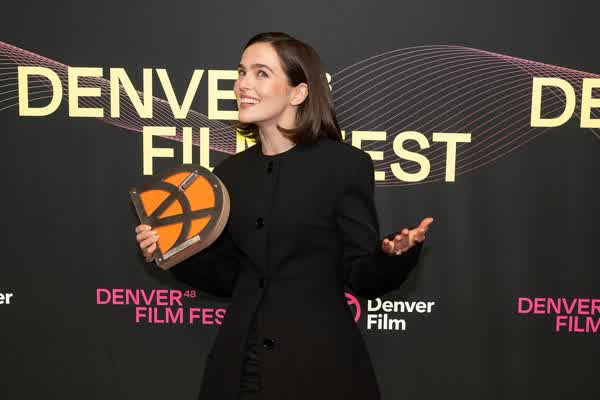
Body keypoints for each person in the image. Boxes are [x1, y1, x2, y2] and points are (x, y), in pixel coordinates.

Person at [135, 32, 433, 400]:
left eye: (261, 73)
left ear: (298, 93)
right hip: (241, 368)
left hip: (320, 369)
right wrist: (173, 251)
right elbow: (227, 278)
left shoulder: (343, 166)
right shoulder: (230, 174)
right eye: (241, 72)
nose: (243, 84)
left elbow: (361, 275)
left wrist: (394, 255)